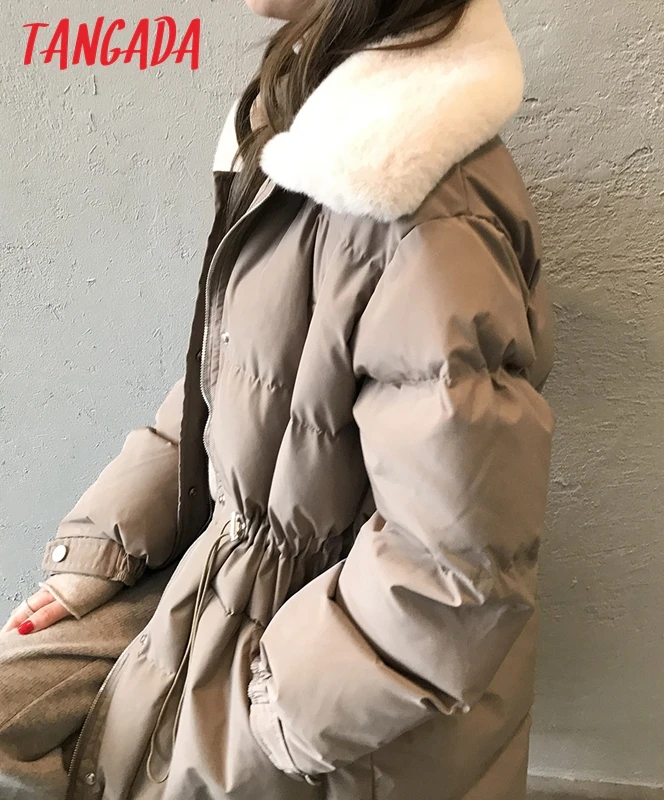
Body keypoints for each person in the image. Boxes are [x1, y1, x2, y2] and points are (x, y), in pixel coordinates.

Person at [0, 0, 556, 797]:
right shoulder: (303, 130)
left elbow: (455, 571)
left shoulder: (424, 215)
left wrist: (269, 715)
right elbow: (224, 393)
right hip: (226, 583)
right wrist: (95, 557)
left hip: (313, 688)